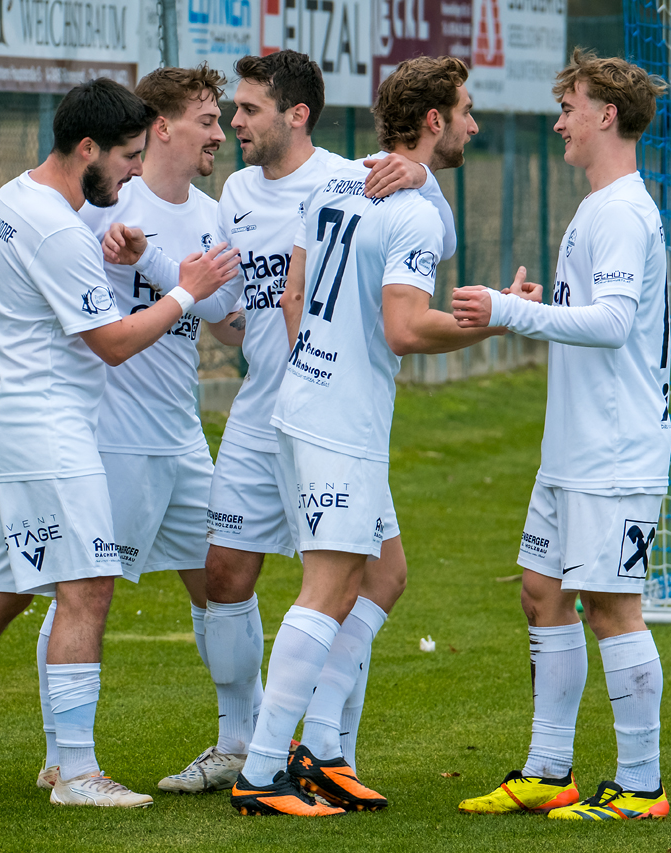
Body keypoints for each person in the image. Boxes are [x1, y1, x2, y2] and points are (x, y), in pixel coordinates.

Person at [0, 78, 240, 808]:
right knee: (88, 586)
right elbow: (113, 343)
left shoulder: (11, 199)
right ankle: (75, 772)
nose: (133, 173)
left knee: (2, 588)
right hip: (44, 429)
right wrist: (186, 291)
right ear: (88, 149)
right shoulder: (58, 229)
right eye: (127, 157)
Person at [103, 49, 457, 797]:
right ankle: (240, 743)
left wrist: (423, 177)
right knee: (226, 574)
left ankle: (329, 749)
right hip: (261, 410)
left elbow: (430, 228)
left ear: (296, 115)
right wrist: (147, 263)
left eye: (248, 109)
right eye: (231, 109)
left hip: (322, 412)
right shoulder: (234, 191)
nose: (234, 122)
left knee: (361, 576)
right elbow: (228, 300)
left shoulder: (348, 176)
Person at [231, 55, 507, 817]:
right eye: (466, 110)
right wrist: (499, 319)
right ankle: (262, 770)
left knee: (384, 574)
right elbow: (405, 328)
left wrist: (318, 364)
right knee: (326, 588)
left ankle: (321, 749)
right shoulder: (410, 208)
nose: (474, 124)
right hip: (338, 422)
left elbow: (292, 293)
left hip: (306, 401)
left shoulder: (336, 181)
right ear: (434, 120)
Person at [452, 49, 671, 821]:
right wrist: (532, 305)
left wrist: (509, 311)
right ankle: (549, 770)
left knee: (613, 607)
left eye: (569, 108)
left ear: (606, 115)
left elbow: (612, 324)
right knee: (543, 592)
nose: (559, 124)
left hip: (616, 453)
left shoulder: (623, 211)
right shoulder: (597, 205)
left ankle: (640, 786)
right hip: (572, 451)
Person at [31, 64, 246, 795]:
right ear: (161, 127)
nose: (219, 134)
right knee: (84, 593)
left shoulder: (213, 213)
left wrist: (169, 269)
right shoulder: (102, 204)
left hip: (182, 436)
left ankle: (239, 743)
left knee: (224, 580)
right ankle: (63, 756)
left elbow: (223, 322)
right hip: (112, 437)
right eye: (207, 120)